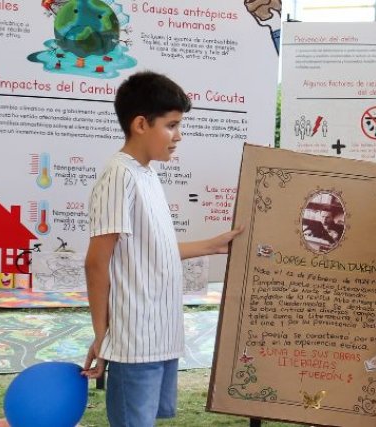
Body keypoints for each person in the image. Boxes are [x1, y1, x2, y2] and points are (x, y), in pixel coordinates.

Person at [82, 71, 243, 427]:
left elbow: (153, 250)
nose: (178, 136)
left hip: (161, 334)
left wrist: (212, 246)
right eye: (171, 125)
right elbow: (96, 263)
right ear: (141, 124)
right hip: (133, 341)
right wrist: (102, 334)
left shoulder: (147, 174)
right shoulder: (118, 176)